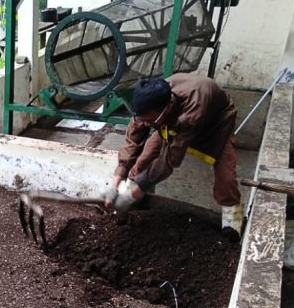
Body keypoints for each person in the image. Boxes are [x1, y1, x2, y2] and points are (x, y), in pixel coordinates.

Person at [103, 73, 244, 240]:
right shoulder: (150, 103)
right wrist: (116, 182)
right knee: (145, 158)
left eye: (149, 121)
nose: (145, 124)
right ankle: (130, 195)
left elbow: (170, 158)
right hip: (174, 120)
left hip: (216, 122)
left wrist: (135, 192)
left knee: (225, 177)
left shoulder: (193, 108)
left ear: (168, 108)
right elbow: (133, 139)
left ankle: (232, 221)